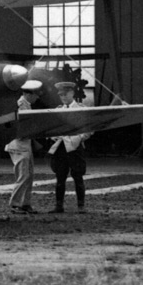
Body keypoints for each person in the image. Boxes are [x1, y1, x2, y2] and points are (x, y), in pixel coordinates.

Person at [49, 81, 91, 213]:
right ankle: (59, 205)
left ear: (72, 93)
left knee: (78, 176)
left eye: (65, 94)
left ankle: (81, 206)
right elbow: (50, 128)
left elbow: (89, 128)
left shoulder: (81, 109)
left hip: (75, 147)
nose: (63, 97)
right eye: (61, 95)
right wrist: (52, 136)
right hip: (61, 147)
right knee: (60, 177)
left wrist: (80, 138)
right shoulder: (57, 110)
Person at [5, 80, 44, 214]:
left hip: (24, 145)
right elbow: (17, 127)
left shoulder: (25, 104)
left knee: (29, 175)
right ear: (29, 94)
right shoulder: (20, 105)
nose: (38, 97)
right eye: (36, 94)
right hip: (19, 145)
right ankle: (15, 204)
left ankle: (25, 203)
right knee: (23, 176)